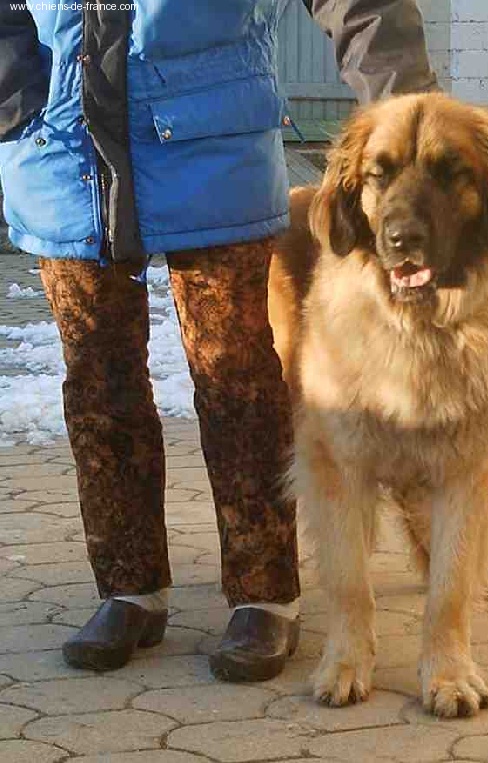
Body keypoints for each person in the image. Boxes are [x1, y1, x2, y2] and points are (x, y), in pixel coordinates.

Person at [0, 0, 437, 681]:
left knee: (236, 378)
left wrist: (404, 111)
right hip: (62, 145)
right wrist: (14, 90)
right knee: (96, 383)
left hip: (212, 143)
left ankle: (265, 595)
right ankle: (129, 587)